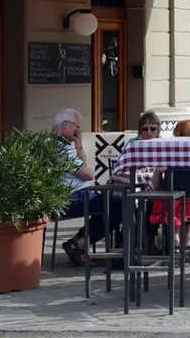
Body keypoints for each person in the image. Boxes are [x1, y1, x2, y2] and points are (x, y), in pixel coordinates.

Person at [55, 109, 124, 266]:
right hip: (72, 198)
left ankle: (77, 242)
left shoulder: (59, 144)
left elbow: (83, 166)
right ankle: (80, 244)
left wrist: (78, 146)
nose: (79, 131)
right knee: (120, 204)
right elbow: (88, 174)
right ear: (65, 125)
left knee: (111, 204)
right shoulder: (60, 148)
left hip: (74, 196)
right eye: (77, 126)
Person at [150, 120, 190, 247]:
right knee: (188, 217)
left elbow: (155, 184)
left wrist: (157, 171)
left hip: (171, 204)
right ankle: (185, 249)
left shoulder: (169, 154)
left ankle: (175, 239)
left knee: (168, 200)